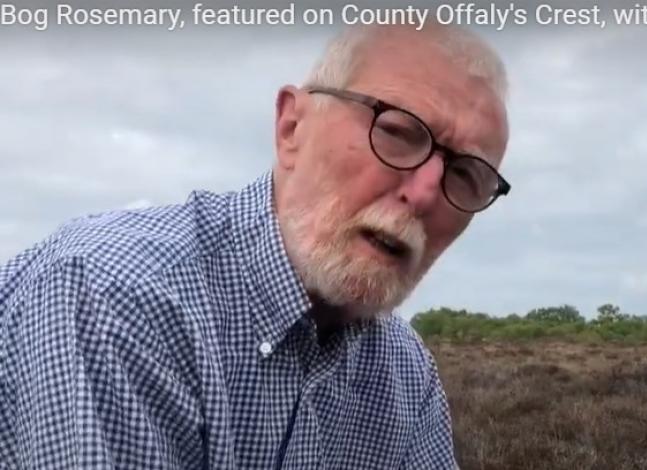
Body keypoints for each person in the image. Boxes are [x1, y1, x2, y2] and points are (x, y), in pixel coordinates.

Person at [0, 23, 510, 469]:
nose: (424, 194)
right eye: (398, 132)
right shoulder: (115, 295)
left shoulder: (404, 373)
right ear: (292, 127)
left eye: (467, 175)